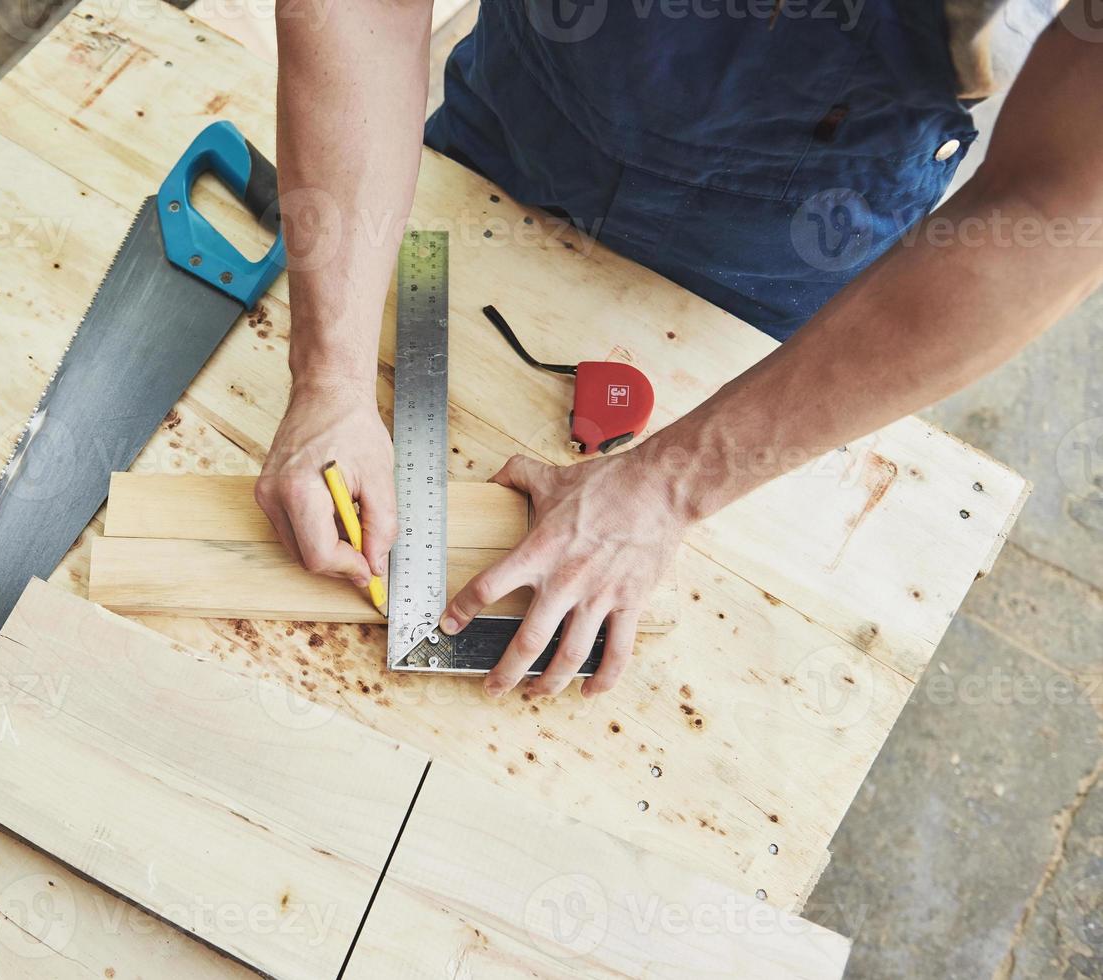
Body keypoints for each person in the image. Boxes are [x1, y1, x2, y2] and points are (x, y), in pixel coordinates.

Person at [254, 0, 1103, 699]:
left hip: (799, 219)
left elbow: (1056, 211)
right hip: (527, 98)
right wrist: (329, 374)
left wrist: (668, 488)